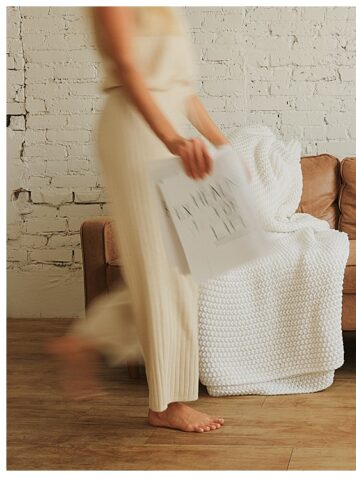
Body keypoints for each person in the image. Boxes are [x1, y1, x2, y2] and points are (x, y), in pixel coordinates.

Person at [47, 7, 227, 433]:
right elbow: (128, 68)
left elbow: (183, 91)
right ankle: (167, 403)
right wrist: (174, 139)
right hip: (137, 129)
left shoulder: (168, 9)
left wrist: (223, 144)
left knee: (182, 266)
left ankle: (88, 339)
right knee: (164, 268)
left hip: (171, 130)